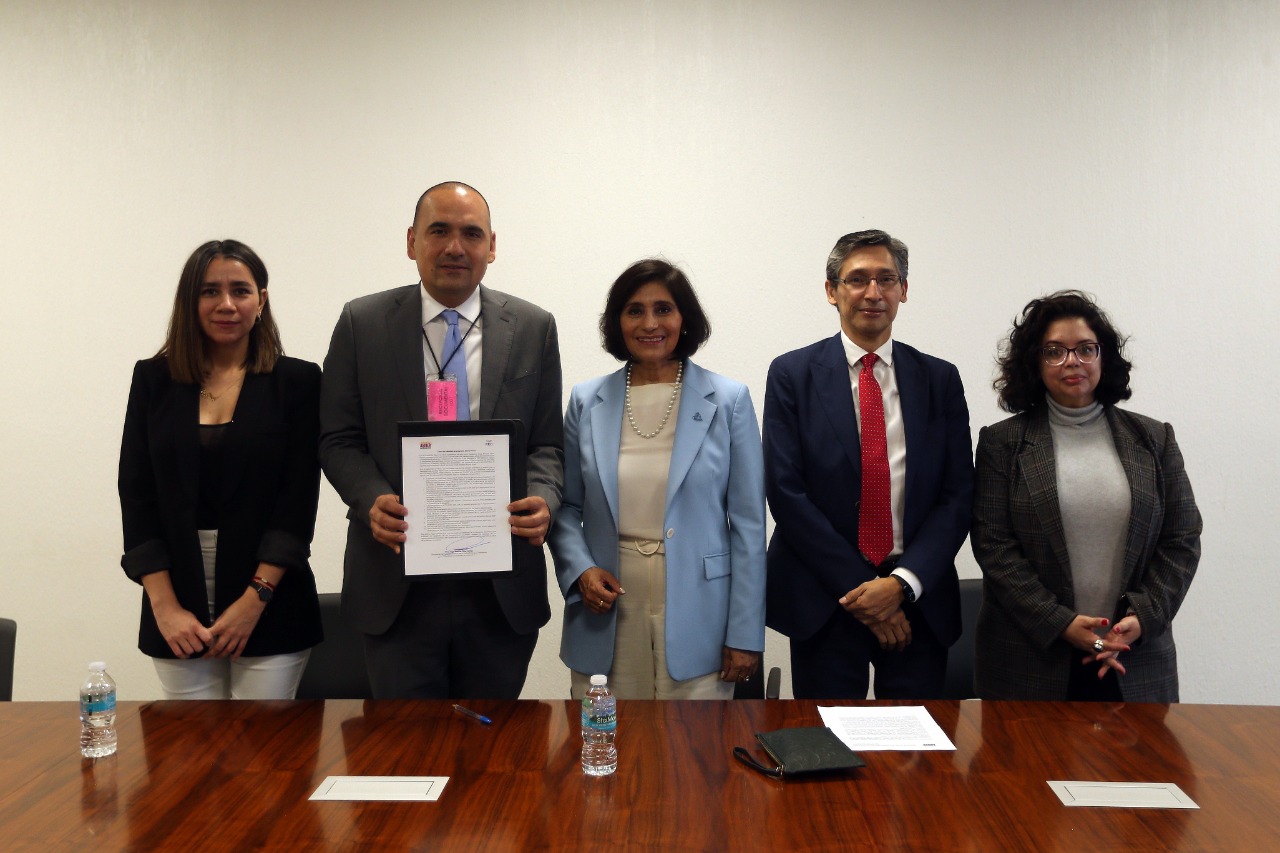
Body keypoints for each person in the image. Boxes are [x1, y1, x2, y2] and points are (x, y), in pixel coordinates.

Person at [320, 181, 563, 699]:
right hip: (395, 579)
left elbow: (547, 445)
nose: (455, 247)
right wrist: (370, 498)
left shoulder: (533, 327)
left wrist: (543, 497)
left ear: (492, 246)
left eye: (471, 234)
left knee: (495, 741)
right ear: (412, 241)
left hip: (499, 585)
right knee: (405, 742)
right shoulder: (362, 324)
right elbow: (338, 438)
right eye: (439, 231)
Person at [764, 229, 973, 700]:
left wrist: (899, 586)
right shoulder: (792, 375)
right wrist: (865, 590)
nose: (873, 292)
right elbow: (786, 492)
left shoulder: (939, 379)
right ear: (831, 290)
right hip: (826, 597)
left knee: (919, 742)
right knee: (827, 738)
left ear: (904, 290)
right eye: (857, 279)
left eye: (887, 279)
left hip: (918, 598)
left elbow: (957, 496)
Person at [547, 259, 765, 699]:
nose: (650, 324)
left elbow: (748, 524)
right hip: (606, 600)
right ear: (617, 321)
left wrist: (745, 633)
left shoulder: (729, 400)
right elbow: (567, 508)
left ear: (685, 319)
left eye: (663, 309)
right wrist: (581, 570)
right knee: (609, 735)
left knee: (694, 740)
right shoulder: (586, 400)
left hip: (701, 608)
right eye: (635, 311)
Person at [971, 291, 1201, 701]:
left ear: (1103, 357)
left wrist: (1143, 617)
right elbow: (994, 546)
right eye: (1054, 351)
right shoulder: (1002, 443)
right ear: (1034, 362)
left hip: (1133, 654)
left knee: (1143, 750)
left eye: (1085, 349)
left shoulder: (1154, 438)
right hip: (1030, 661)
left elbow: (1181, 538)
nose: (1072, 361)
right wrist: (1058, 622)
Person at [118, 239, 323, 699]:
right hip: (176, 598)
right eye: (210, 291)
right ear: (189, 301)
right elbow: (136, 494)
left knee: (264, 744)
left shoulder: (297, 382)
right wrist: (164, 606)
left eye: (240, 291)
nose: (226, 304)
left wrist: (255, 600)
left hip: (271, 598)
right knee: (189, 743)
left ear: (261, 300)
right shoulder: (153, 380)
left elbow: (296, 502)